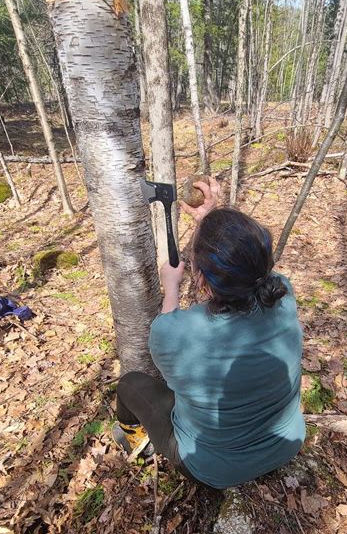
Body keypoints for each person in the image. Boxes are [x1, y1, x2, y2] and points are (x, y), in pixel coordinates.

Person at [113, 178, 305, 489]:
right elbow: (249, 265)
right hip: (286, 444)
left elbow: (167, 326)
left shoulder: (176, 335)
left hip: (212, 468)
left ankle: (135, 439)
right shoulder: (283, 293)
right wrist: (210, 222)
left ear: (201, 280)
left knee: (130, 385)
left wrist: (171, 286)